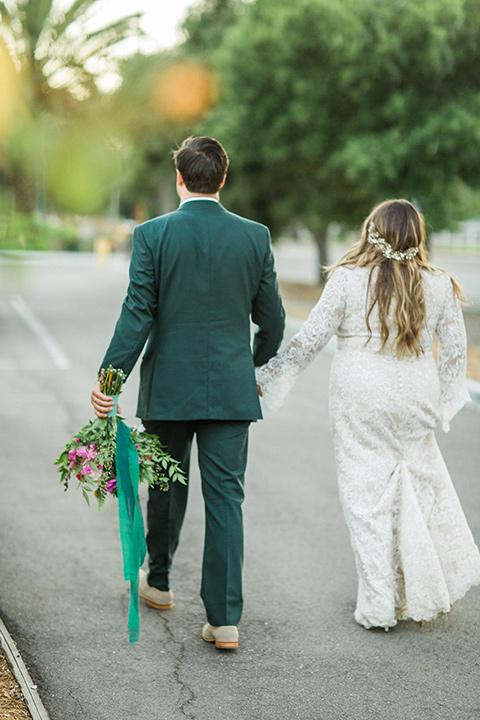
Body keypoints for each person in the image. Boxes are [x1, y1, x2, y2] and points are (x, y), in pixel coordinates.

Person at [91, 136, 285, 649]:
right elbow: (273, 321)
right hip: (231, 389)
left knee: (165, 486)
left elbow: (138, 315)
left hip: (169, 390)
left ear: (180, 178)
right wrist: (251, 364)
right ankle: (223, 621)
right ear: (222, 179)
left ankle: (158, 582)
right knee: (226, 500)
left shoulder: (152, 235)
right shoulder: (255, 237)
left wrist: (109, 381)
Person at [256, 199, 480, 630]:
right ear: (418, 236)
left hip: (360, 396)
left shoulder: (347, 278)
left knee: (366, 499)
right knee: (413, 489)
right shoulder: (440, 284)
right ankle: (404, 589)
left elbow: (311, 339)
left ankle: (379, 603)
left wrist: (269, 375)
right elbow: (454, 353)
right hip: (416, 396)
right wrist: (448, 399)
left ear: (370, 232)